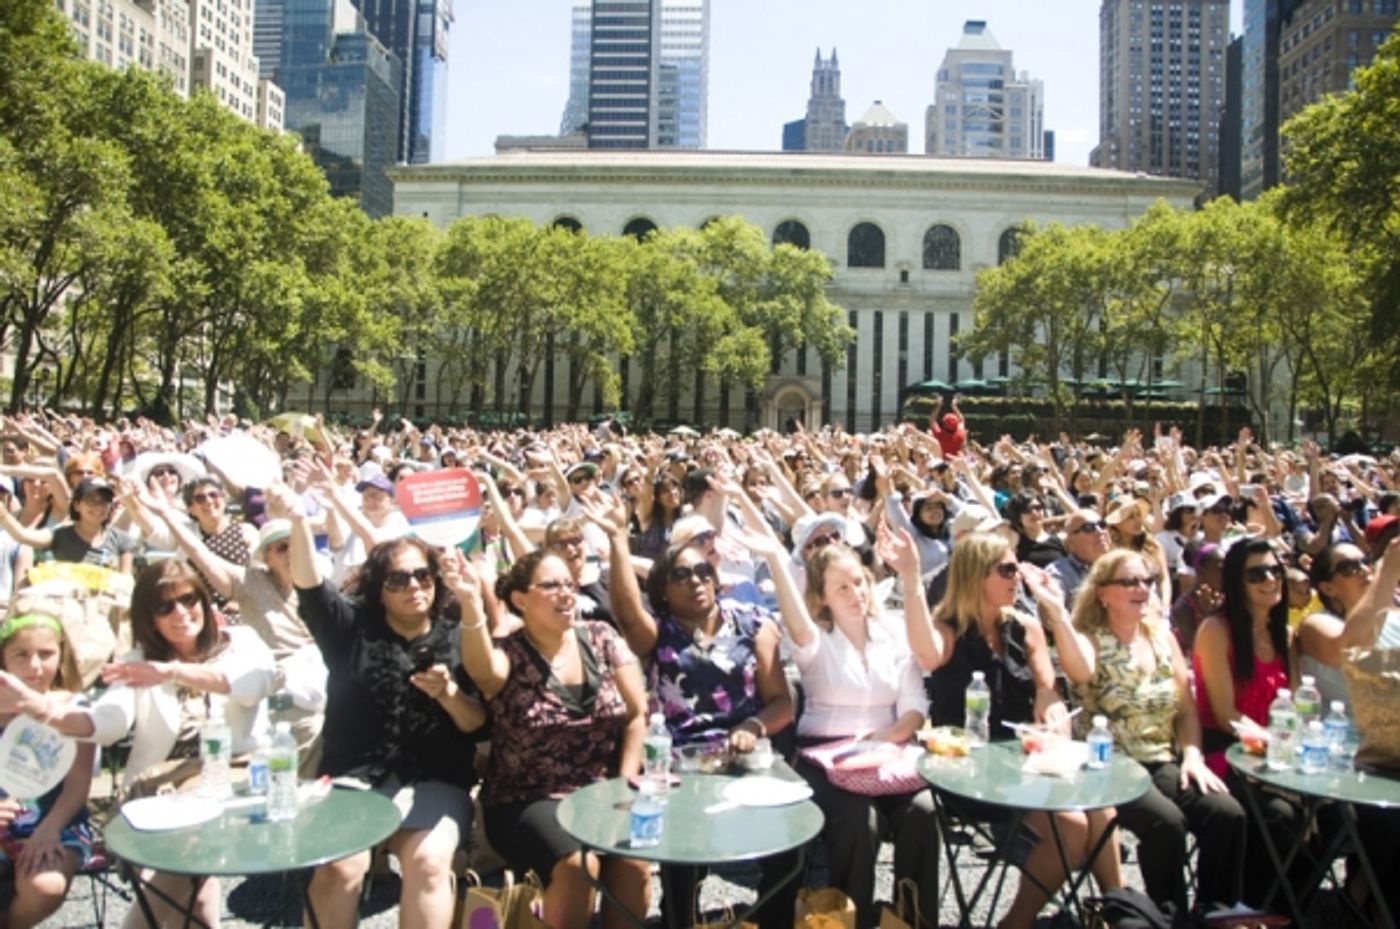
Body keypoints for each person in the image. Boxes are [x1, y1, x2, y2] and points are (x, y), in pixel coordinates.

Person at [20, 561, 276, 929]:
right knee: (194, 887)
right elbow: (107, 723)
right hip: (160, 793)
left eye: (188, 599)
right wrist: (44, 710)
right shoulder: (138, 663)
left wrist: (172, 672)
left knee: (189, 861)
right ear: (148, 618)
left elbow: (253, 686)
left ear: (203, 601)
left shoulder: (244, 643)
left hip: (238, 785)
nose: (180, 612)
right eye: (164, 606)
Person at [279, 484, 486, 929]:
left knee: (430, 864)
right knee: (338, 869)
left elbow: (478, 725)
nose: (413, 586)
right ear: (378, 588)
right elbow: (310, 587)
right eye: (398, 579)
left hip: (435, 779)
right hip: (354, 780)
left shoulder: (459, 636)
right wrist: (298, 521)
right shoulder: (350, 630)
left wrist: (448, 695)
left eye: (423, 576)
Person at [596, 491, 796, 929]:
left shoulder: (752, 623)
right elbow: (627, 616)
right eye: (681, 574)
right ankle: (680, 919)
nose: (696, 580)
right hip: (679, 764)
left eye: (704, 570)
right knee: (683, 853)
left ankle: (771, 919)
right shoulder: (659, 633)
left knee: (790, 838)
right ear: (663, 591)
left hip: (745, 756)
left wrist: (753, 725)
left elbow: (783, 703)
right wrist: (617, 539)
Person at [909, 532, 1121, 929]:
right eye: (1006, 570)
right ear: (976, 575)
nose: (1017, 578)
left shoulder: (1025, 627)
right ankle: (1017, 922)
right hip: (969, 770)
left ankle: (1119, 911)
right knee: (1072, 827)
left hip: (1024, 760)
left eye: (1016, 569)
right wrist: (909, 577)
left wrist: (1053, 712)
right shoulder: (947, 629)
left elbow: (1047, 689)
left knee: (1102, 807)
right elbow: (927, 653)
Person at [456, 550, 650, 929]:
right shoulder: (508, 653)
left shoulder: (602, 636)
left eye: (569, 584)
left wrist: (626, 783)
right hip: (528, 797)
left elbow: (637, 714)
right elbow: (482, 671)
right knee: (579, 864)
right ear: (520, 600)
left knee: (634, 861)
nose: (565, 593)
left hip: (603, 790)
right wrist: (469, 601)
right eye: (550, 585)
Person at [1045, 550, 1245, 914]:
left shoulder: (1162, 637)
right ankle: (1167, 916)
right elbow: (1080, 671)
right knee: (1166, 824)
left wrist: (1193, 757)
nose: (1142, 589)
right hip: (1109, 766)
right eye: (1129, 582)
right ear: (1102, 593)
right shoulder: (1090, 640)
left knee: (1225, 812)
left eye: (1147, 581)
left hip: (1161, 759)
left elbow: (1186, 709)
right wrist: (1058, 614)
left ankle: (1215, 912)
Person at [775, 528, 940, 929]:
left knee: (924, 810)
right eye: (842, 588)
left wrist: (887, 737)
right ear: (822, 598)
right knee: (859, 820)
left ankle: (913, 919)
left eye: (859, 582)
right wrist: (775, 559)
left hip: (889, 750)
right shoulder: (816, 640)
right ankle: (851, 919)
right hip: (826, 754)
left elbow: (915, 703)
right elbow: (797, 624)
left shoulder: (894, 632)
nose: (856, 594)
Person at [0, 612, 96, 929]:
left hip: (54, 819)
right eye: (21, 655)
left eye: (46, 654)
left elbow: (78, 783)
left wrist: (49, 829)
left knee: (45, 886)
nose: (35, 666)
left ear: (61, 655)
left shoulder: (71, 710)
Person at [0, 477, 137, 572]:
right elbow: (22, 536)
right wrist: (3, 514)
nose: (98, 507)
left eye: (104, 501)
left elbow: (126, 584)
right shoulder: (60, 534)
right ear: (77, 505)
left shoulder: (122, 540)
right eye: (91, 500)